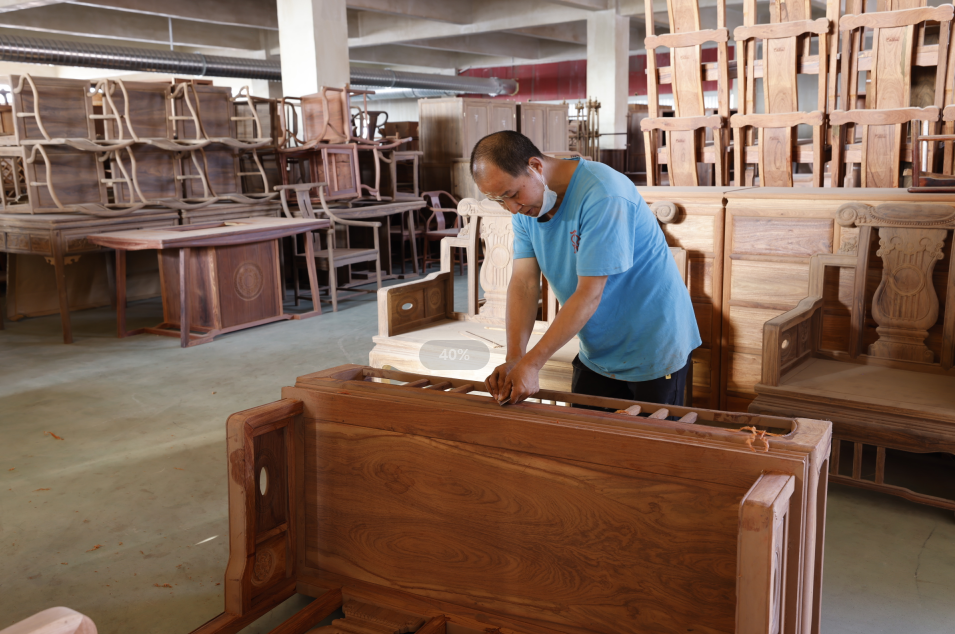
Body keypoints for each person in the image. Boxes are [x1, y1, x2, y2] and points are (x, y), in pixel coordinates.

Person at [472, 130, 700, 408]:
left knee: (648, 448)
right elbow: (524, 284)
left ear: (535, 167)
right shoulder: (527, 206)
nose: (512, 208)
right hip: (597, 349)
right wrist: (515, 358)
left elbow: (590, 293)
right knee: (585, 441)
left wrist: (533, 364)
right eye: (499, 200)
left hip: (653, 345)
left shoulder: (603, 193)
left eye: (512, 194)